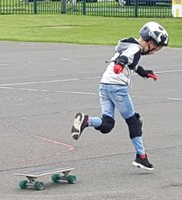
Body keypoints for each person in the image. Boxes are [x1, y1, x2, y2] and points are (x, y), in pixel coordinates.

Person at [70, 21, 168, 171]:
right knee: (133, 122)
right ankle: (141, 157)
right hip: (117, 88)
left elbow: (132, 64)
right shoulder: (134, 49)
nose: (154, 52)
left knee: (107, 124)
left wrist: (143, 72)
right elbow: (127, 59)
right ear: (149, 43)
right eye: (156, 49)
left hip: (104, 86)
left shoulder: (129, 46)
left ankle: (86, 120)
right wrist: (120, 65)